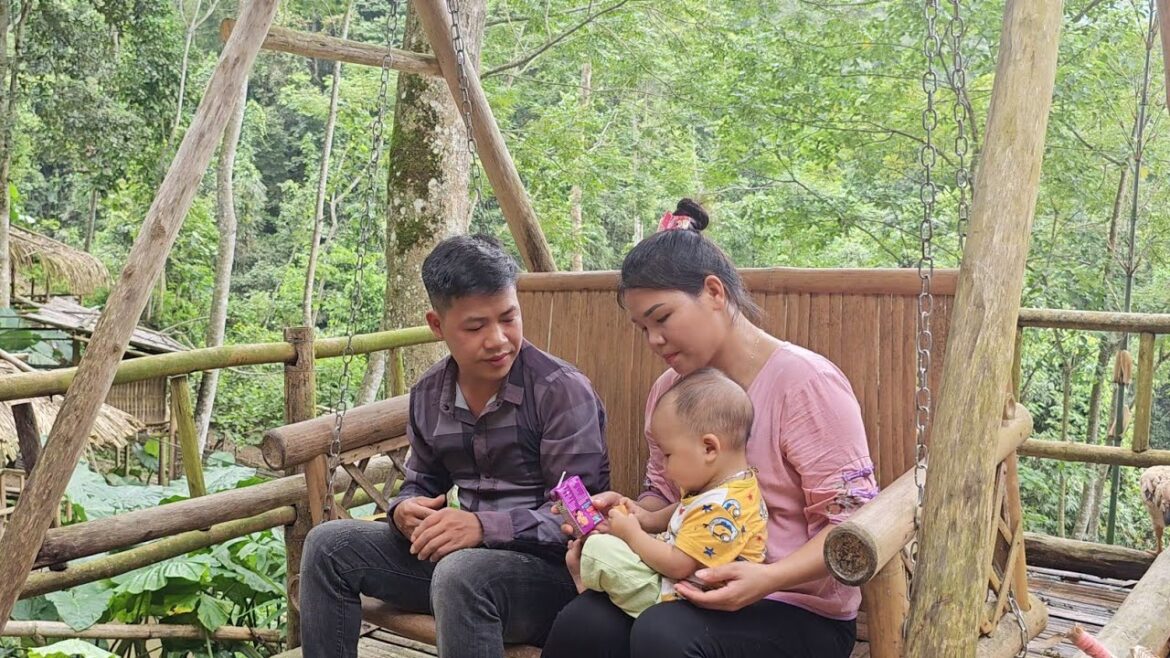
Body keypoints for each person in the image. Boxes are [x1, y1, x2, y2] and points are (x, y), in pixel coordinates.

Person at [542, 199, 876, 658]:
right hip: (684, 583)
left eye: (662, 318)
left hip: (797, 607)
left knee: (665, 634)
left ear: (715, 293)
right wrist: (628, 518)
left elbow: (853, 524)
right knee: (584, 625)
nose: (654, 340)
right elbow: (664, 492)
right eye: (642, 328)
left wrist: (766, 579)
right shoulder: (669, 391)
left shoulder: (806, 384)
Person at [300, 234, 610, 658]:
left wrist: (484, 527)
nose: (498, 339)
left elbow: (581, 517)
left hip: (552, 579)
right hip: (457, 571)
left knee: (462, 573)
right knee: (328, 546)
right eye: (476, 326)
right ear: (436, 325)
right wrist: (405, 510)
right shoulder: (429, 394)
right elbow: (421, 482)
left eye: (508, 318)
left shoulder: (560, 392)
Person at [568, 367, 766, 619]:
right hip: (676, 577)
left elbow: (678, 564)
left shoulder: (723, 507)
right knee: (610, 542)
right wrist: (644, 518)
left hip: (680, 596)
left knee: (600, 548)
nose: (661, 466)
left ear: (709, 448)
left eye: (668, 455)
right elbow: (688, 512)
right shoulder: (727, 487)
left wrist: (632, 535)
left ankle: (588, 584)